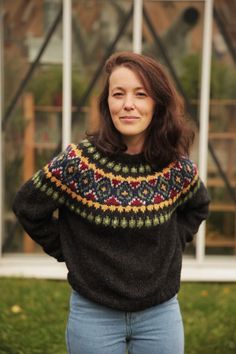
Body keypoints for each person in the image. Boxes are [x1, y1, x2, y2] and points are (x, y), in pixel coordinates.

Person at [13, 51, 210, 354]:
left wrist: (172, 243)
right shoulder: (79, 162)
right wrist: (71, 251)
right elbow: (28, 206)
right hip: (94, 314)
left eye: (140, 94)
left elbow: (198, 206)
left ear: (157, 103)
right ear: (107, 103)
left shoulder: (175, 166)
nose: (128, 104)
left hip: (160, 314)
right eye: (118, 94)